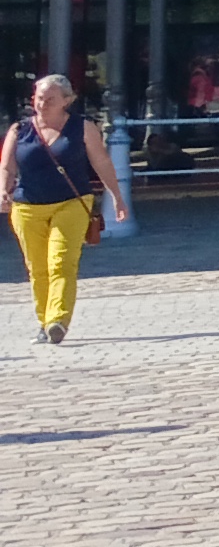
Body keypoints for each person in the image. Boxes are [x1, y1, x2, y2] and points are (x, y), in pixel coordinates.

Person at [10, 72, 124, 344]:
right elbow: (7, 166)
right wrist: (4, 189)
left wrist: (117, 196)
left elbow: (101, 162)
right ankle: (44, 322)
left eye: (50, 99)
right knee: (37, 268)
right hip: (27, 207)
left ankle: (57, 320)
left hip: (71, 202)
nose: (42, 104)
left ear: (67, 100)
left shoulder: (82, 127)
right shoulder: (19, 130)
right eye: (39, 98)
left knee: (61, 261)